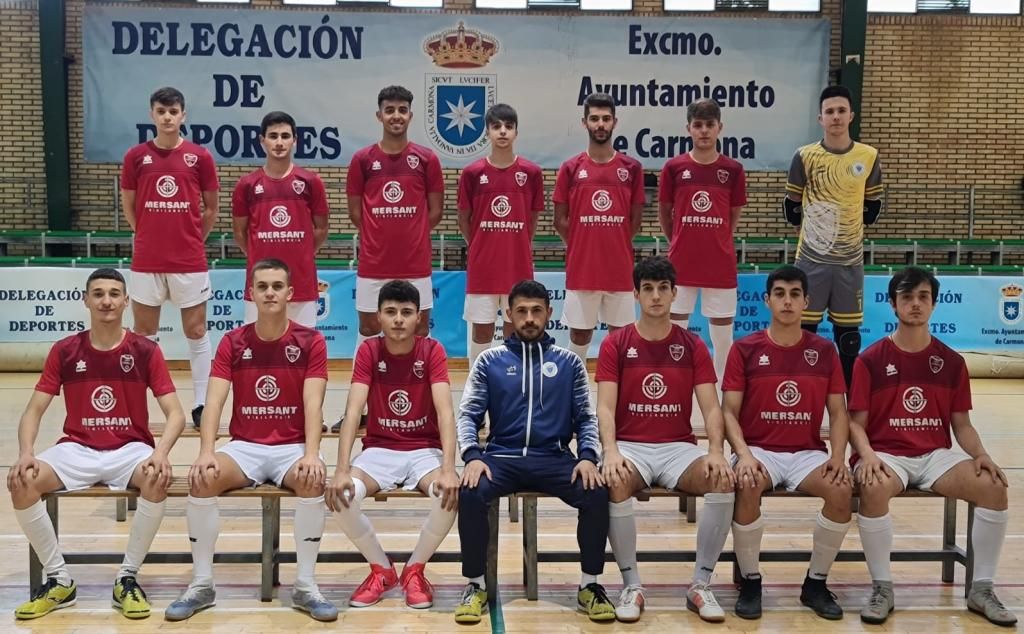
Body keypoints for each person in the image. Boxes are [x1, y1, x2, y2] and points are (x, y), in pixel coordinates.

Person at [8, 268, 186, 620]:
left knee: (156, 477)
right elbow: (33, 411)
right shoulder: (65, 350)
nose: (107, 300)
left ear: (126, 301)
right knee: (22, 482)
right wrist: (26, 453)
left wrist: (160, 452)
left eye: (114, 293)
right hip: (77, 447)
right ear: (86, 300)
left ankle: (127, 577)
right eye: (99, 293)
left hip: (128, 449)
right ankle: (59, 579)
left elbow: (176, 414)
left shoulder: (146, 350)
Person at [165, 259, 336, 622]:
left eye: (277, 286)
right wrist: (207, 451)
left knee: (312, 478)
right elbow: (213, 402)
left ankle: (305, 585)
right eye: (263, 287)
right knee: (201, 478)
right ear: (252, 293)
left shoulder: (310, 341)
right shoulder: (232, 342)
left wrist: (312, 453)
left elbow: (313, 402)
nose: (270, 292)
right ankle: (202, 584)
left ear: (290, 293)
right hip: (245, 447)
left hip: (291, 447)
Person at [849, 267, 1015, 627]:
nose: (915, 304)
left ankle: (981, 589)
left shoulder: (952, 363)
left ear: (934, 304)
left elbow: (962, 426)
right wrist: (867, 455)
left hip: (934, 456)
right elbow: (855, 424)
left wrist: (982, 455)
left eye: (923, 297)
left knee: (994, 486)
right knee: (873, 486)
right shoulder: (870, 359)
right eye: (906, 297)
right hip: (887, 454)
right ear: (893, 304)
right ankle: (882, 587)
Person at [455, 280, 613, 624]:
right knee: (469, 490)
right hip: (501, 458)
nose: (529, 318)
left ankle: (590, 585)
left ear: (549, 314)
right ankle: (475, 585)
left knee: (597, 490)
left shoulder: (569, 363)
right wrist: (472, 456)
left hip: (554, 458)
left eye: (536, 311)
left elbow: (586, 416)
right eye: (522, 311)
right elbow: (468, 414)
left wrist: (588, 456)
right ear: (508, 314)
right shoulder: (489, 361)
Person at [597, 256, 736, 623]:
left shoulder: (692, 345)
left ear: (675, 294)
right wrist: (609, 451)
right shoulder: (616, 343)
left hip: (678, 448)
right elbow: (605, 408)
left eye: (663, 288)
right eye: (648, 289)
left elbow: (711, 407)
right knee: (613, 480)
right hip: (630, 446)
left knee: (723, 478)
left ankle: (700, 584)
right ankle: (632, 584)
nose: (656, 296)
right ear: (636, 295)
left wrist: (717, 450)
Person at [722, 265, 852, 621]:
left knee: (841, 491)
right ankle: (750, 580)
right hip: (759, 451)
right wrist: (743, 454)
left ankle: (815, 583)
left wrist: (839, 457)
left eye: (795, 294)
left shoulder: (825, 351)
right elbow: (728, 412)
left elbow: (839, 413)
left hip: (807, 453)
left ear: (807, 302)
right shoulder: (745, 349)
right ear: (767, 300)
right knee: (747, 483)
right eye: (779, 293)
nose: (788, 301)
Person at [325, 280, 460, 610]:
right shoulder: (369, 350)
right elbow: (353, 410)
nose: (398, 319)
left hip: (424, 450)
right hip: (380, 450)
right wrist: (341, 470)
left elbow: (445, 412)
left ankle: (415, 569)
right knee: (340, 495)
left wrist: (447, 469)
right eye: (390, 312)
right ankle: (381, 569)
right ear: (379, 317)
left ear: (418, 318)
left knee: (449, 495)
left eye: (406, 312)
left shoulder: (432, 351)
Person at [335, 85, 445, 433]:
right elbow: (356, 212)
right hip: (373, 265)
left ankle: (422, 412)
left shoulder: (426, 159)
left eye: (402, 109)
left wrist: (408, 233)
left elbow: (436, 211)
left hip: (415, 265)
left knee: (420, 332)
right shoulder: (363, 160)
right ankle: (363, 410)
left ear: (410, 115)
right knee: (368, 332)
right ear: (379, 115)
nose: (396, 115)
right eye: (389, 109)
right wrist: (382, 232)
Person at [120, 86, 220, 428]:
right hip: (147, 260)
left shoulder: (200, 157)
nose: (167, 117)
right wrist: (145, 233)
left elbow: (211, 208)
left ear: (183, 115)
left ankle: (203, 404)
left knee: (196, 330)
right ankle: (138, 404)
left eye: (173, 111)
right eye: (161, 111)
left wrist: (192, 238)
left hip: (188, 260)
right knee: (143, 333)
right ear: (152, 115)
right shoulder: (135, 157)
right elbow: (130, 205)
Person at [784, 85, 884, 392]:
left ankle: (846, 398)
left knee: (849, 336)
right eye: (830, 112)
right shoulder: (805, 156)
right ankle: (805, 391)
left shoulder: (868, 156)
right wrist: (818, 232)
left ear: (851, 115)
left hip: (849, 262)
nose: (836, 117)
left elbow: (873, 206)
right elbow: (791, 208)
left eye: (841, 111)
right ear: (820, 118)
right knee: (805, 330)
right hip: (811, 261)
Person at [658, 98, 747, 382]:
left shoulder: (733, 169)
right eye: (698, 125)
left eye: (710, 125)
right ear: (688, 129)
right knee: (675, 335)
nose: (704, 131)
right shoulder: (674, 167)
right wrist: (679, 240)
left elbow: (732, 215)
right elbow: (664, 210)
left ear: (720, 127)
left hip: (719, 264)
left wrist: (717, 238)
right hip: (681, 263)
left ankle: (723, 396)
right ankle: (677, 384)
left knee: (722, 338)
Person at [554, 92, 644, 362]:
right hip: (583, 270)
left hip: (619, 270)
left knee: (621, 339)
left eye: (606, 118)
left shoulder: (632, 168)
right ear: (585, 123)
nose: (600, 124)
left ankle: (616, 399)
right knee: (579, 337)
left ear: (615, 122)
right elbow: (560, 220)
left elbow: (635, 220)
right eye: (594, 119)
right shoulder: (570, 168)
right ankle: (575, 397)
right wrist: (585, 241)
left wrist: (611, 241)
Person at [458, 103, 545, 366]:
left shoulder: (531, 173)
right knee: (482, 331)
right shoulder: (472, 173)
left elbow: (532, 218)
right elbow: (464, 219)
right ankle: (477, 387)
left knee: (515, 330)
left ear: (516, 132)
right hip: (482, 267)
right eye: (496, 126)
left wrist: (514, 244)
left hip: (516, 266)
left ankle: (512, 385)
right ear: (487, 132)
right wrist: (481, 246)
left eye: (508, 126)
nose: (503, 132)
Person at [232, 110, 329, 329]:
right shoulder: (246, 184)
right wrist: (259, 254)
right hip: (260, 282)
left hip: (301, 281)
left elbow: (321, 229)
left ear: (295, 140)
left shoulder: (311, 182)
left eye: (285, 136)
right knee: (257, 349)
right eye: (273, 136)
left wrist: (302, 252)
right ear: (262, 140)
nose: (279, 142)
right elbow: (240, 232)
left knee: (302, 346)